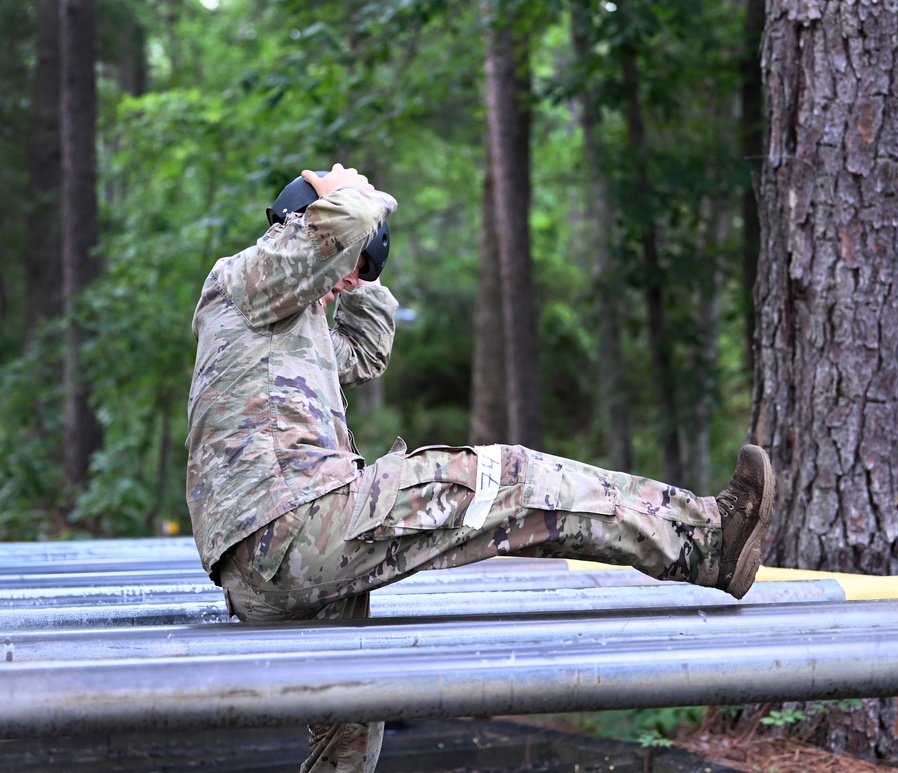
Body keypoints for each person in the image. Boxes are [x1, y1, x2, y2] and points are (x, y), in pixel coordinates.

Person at [185, 163, 775, 773]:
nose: (338, 286)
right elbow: (348, 221)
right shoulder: (245, 276)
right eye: (341, 268)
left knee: (350, 717)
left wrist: (361, 279)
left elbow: (365, 353)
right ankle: (708, 539)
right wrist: (347, 194)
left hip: (265, 562)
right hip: (292, 528)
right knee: (508, 480)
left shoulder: (282, 325)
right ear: (299, 227)